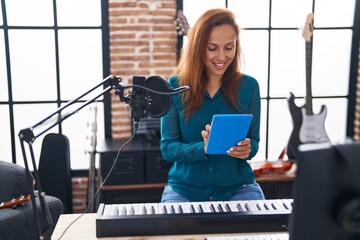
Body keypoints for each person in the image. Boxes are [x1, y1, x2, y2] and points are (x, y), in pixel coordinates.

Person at [160, 8, 264, 203]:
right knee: (174, 234)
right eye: (212, 48)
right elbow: (168, 148)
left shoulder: (250, 87)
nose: (222, 57)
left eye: (229, 47)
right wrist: (203, 148)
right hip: (184, 190)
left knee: (257, 233)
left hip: (239, 188)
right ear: (199, 47)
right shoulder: (175, 86)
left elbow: (255, 141)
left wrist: (247, 149)